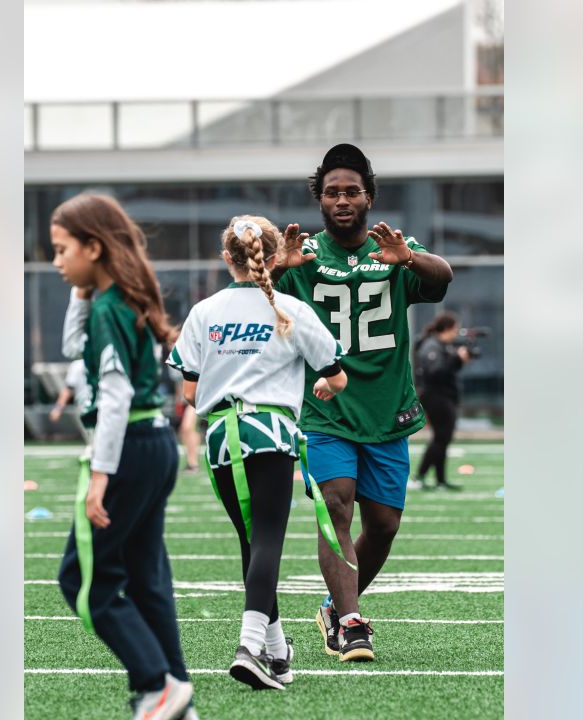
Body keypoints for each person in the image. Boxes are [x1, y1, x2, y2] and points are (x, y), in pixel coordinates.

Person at [273, 143, 454, 662]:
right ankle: (352, 623)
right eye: (332, 192)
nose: (342, 199)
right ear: (320, 201)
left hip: (387, 407)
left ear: (369, 196)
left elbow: (442, 276)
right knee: (336, 504)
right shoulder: (302, 255)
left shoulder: (393, 248)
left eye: (351, 190)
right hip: (326, 407)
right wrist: (275, 269)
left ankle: (333, 606)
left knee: (384, 525)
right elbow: (251, 300)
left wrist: (411, 258)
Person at [167, 215, 348, 690]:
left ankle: (278, 652)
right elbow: (336, 374)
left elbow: (189, 391)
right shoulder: (289, 308)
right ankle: (248, 647)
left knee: (253, 547)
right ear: (273, 259)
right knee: (267, 542)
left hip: (221, 439)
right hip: (270, 433)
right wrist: (324, 387)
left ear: (227, 259)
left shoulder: (204, 311)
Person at [50, 193, 196, 720]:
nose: (56, 261)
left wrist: (99, 476)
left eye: (63, 249)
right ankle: (177, 692)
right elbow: (73, 344)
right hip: (156, 444)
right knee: (147, 577)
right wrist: (83, 288)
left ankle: (155, 683)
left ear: (94, 246)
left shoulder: (114, 308)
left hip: (129, 447)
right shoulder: (123, 301)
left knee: (82, 581)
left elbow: (112, 399)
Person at [410, 312, 471, 490]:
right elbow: (435, 372)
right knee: (441, 438)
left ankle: (440, 480)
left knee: (443, 438)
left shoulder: (440, 345)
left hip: (443, 396)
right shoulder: (432, 345)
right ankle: (419, 477)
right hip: (436, 396)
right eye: (455, 330)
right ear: (446, 329)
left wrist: (459, 361)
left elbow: (447, 369)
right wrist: (456, 358)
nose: (455, 334)